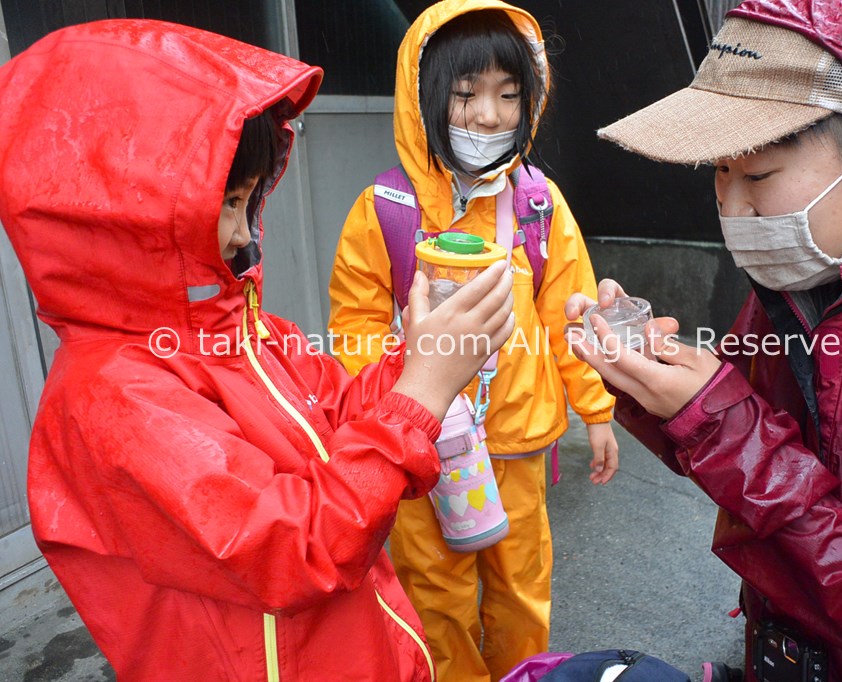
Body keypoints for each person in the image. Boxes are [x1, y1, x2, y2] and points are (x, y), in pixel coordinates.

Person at [0, 19, 515, 681]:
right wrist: (422, 393)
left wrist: (415, 357)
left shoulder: (245, 335)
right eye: (227, 203)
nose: (244, 234)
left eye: (249, 200)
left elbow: (342, 416)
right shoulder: (112, 400)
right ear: (119, 220)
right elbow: (294, 548)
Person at [566, 0, 842, 680]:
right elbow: (745, 444)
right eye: (719, 171)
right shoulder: (803, 276)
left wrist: (722, 426)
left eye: (757, 175)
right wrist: (655, 386)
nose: (731, 208)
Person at [327, 1, 619, 679]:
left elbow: (568, 316)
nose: (489, 116)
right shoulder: (386, 210)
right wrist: (391, 410)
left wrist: (597, 409)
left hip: (517, 441)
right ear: (423, 98)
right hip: (421, 448)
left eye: (509, 95)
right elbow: (354, 328)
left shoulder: (540, 206)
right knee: (435, 596)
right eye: (466, 93)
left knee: (521, 589)